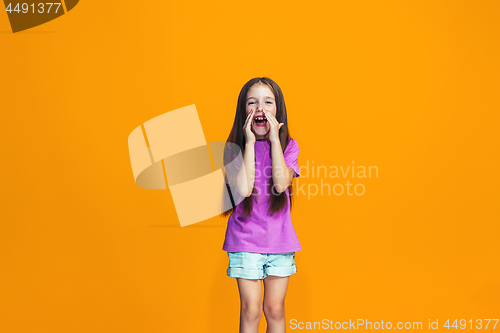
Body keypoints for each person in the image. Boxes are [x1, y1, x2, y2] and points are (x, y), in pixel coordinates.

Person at [221, 77, 301, 333]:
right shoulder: (234, 149)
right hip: (245, 241)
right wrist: (250, 144)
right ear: (243, 111)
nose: (260, 108)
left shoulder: (289, 146)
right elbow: (243, 190)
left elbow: (280, 184)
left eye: (268, 102)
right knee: (251, 309)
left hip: (280, 240)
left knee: (275, 309)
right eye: (252, 102)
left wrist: (275, 141)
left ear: (278, 110)